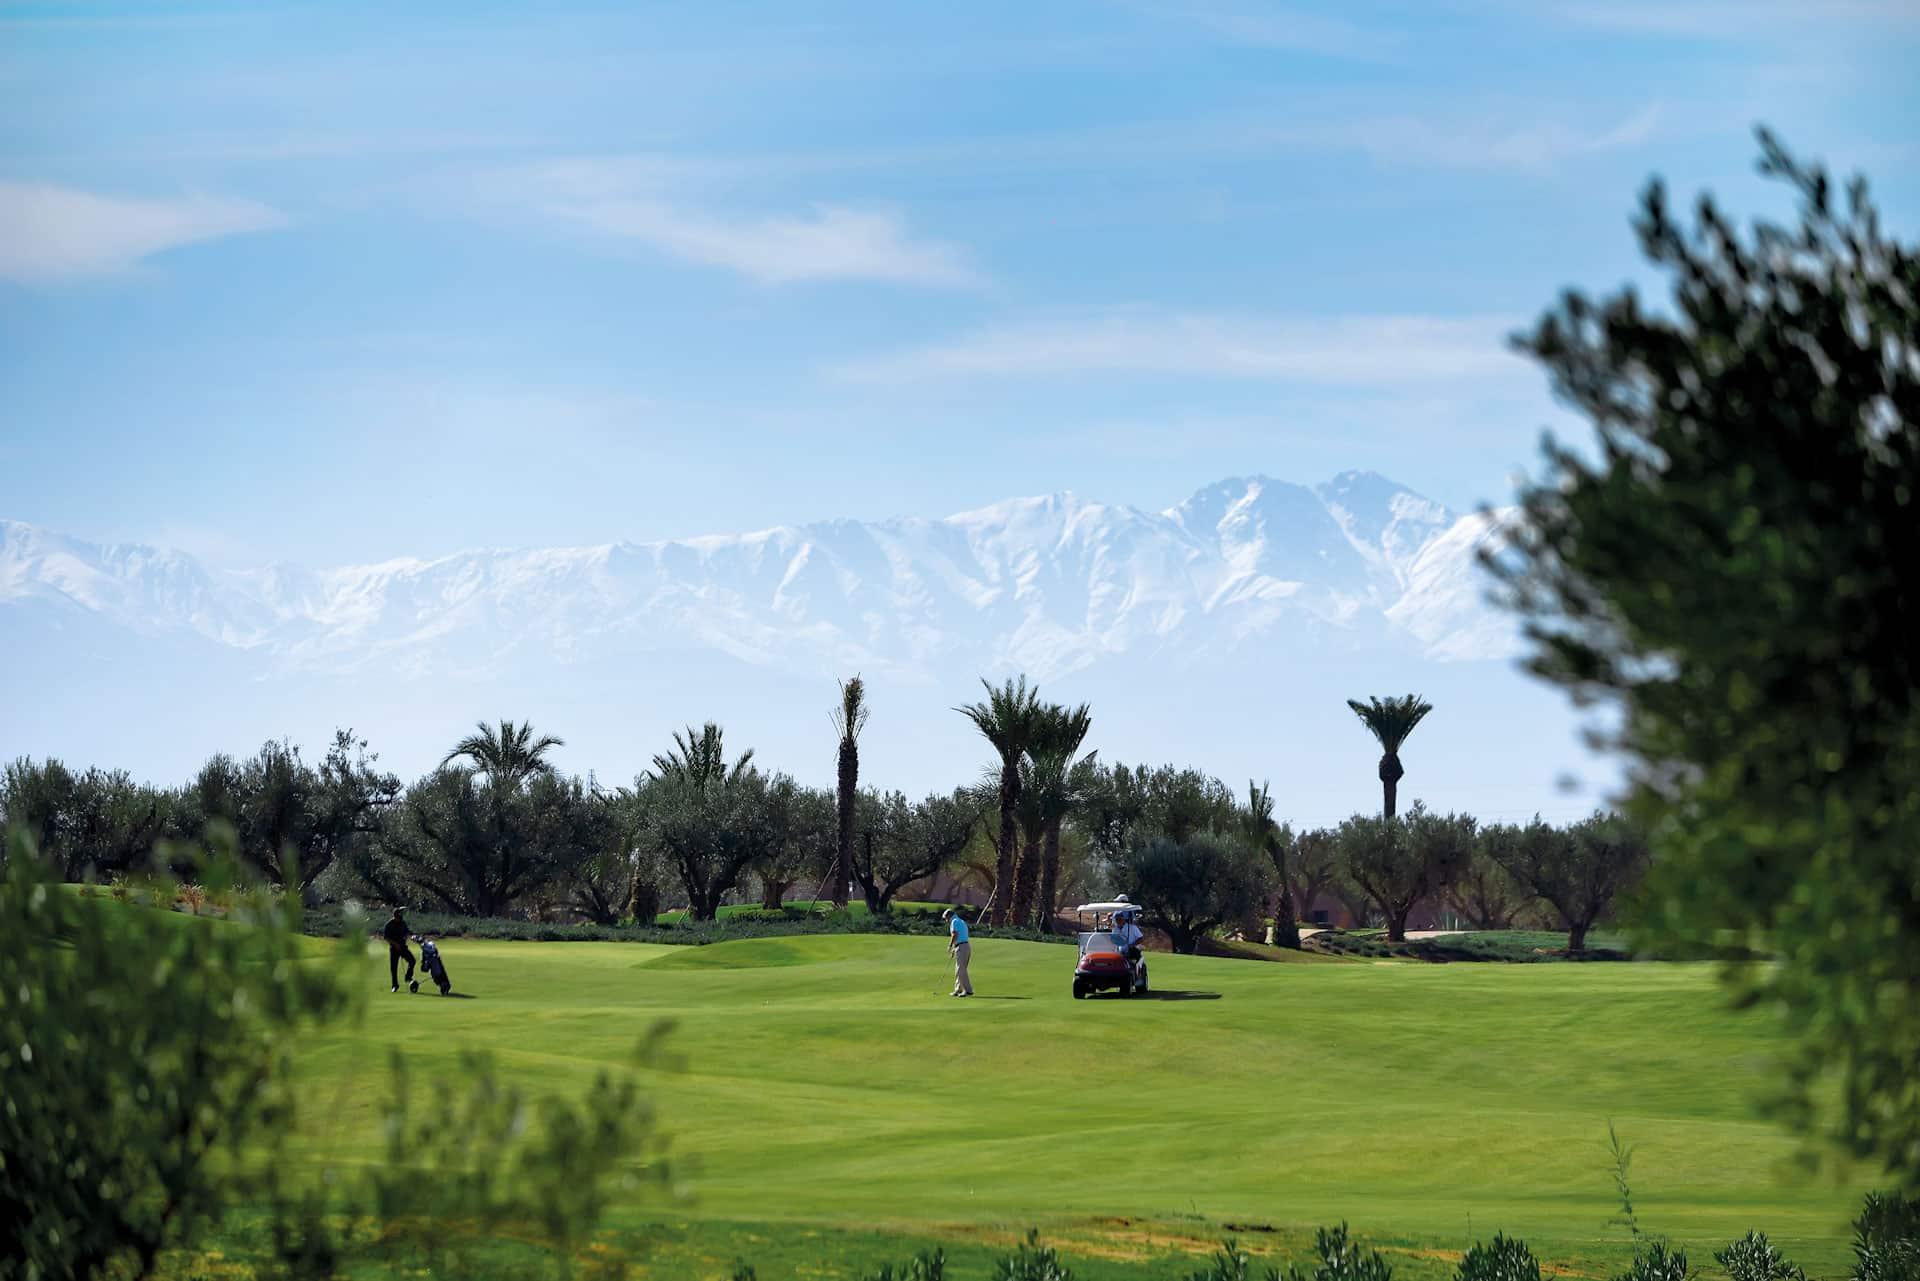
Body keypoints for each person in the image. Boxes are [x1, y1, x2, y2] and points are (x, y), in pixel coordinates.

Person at [382, 907, 416, 993]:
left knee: (412, 960)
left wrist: (409, 936)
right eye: (399, 916)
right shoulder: (389, 924)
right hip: (394, 949)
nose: (400, 918)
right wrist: (395, 944)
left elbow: (406, 932)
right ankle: (395, 986)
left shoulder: (402, 923)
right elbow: (386, 937)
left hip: (403, 947)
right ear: (395, 916)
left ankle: (408, 977)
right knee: (394, 968)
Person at [943, 908, 973, 997]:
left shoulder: (954, 921)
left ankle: (968, 991)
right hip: (964, 946)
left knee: (961, 970)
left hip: (962, 946)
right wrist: (954, 948)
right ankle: (958, 989)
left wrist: (950, 945)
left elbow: (954, 934)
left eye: (946, 918)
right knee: (958, 970)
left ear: (949, 916)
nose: (946, 921)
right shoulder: (960, 921)